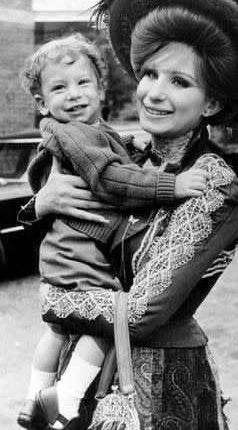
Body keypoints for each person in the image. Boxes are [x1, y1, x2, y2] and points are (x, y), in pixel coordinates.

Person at [18, 0, 238, 429]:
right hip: (84, 370)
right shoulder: (126, 155)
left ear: (212, 101)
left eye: (179, 81)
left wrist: (51, 301)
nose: (154, 93)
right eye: (151, 74)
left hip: (156, 386)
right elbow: (73, 236)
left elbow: (141, 313)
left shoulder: (212, 184)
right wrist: (40, 204)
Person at [17, 33, 208, 430]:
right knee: (99, 322)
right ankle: (62, 401)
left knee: (58, 327)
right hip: (80, 258)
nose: (73, 95)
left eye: (83, 83)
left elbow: (103, 157)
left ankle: (35, 398)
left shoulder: (83, 132)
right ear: (41, 102)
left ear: (102, 88)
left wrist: (125, 144)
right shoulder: (75, 133)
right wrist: (173, 185)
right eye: (59, 88)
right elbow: (111, 179)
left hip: (70, 256)